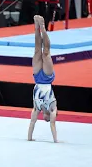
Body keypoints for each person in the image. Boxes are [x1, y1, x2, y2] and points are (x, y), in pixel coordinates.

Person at [28, 15, 58, 143]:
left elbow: (32, 123)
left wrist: (29, 138)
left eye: (45, 119)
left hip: (37, 78)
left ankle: (36, 27)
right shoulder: (53, 108)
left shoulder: (37, 109)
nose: (46, 120)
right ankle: (43, 27)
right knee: (45, 52)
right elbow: (53, 125)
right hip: (47, 78)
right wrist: (56, 140)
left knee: (36, 51)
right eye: (48, 119)